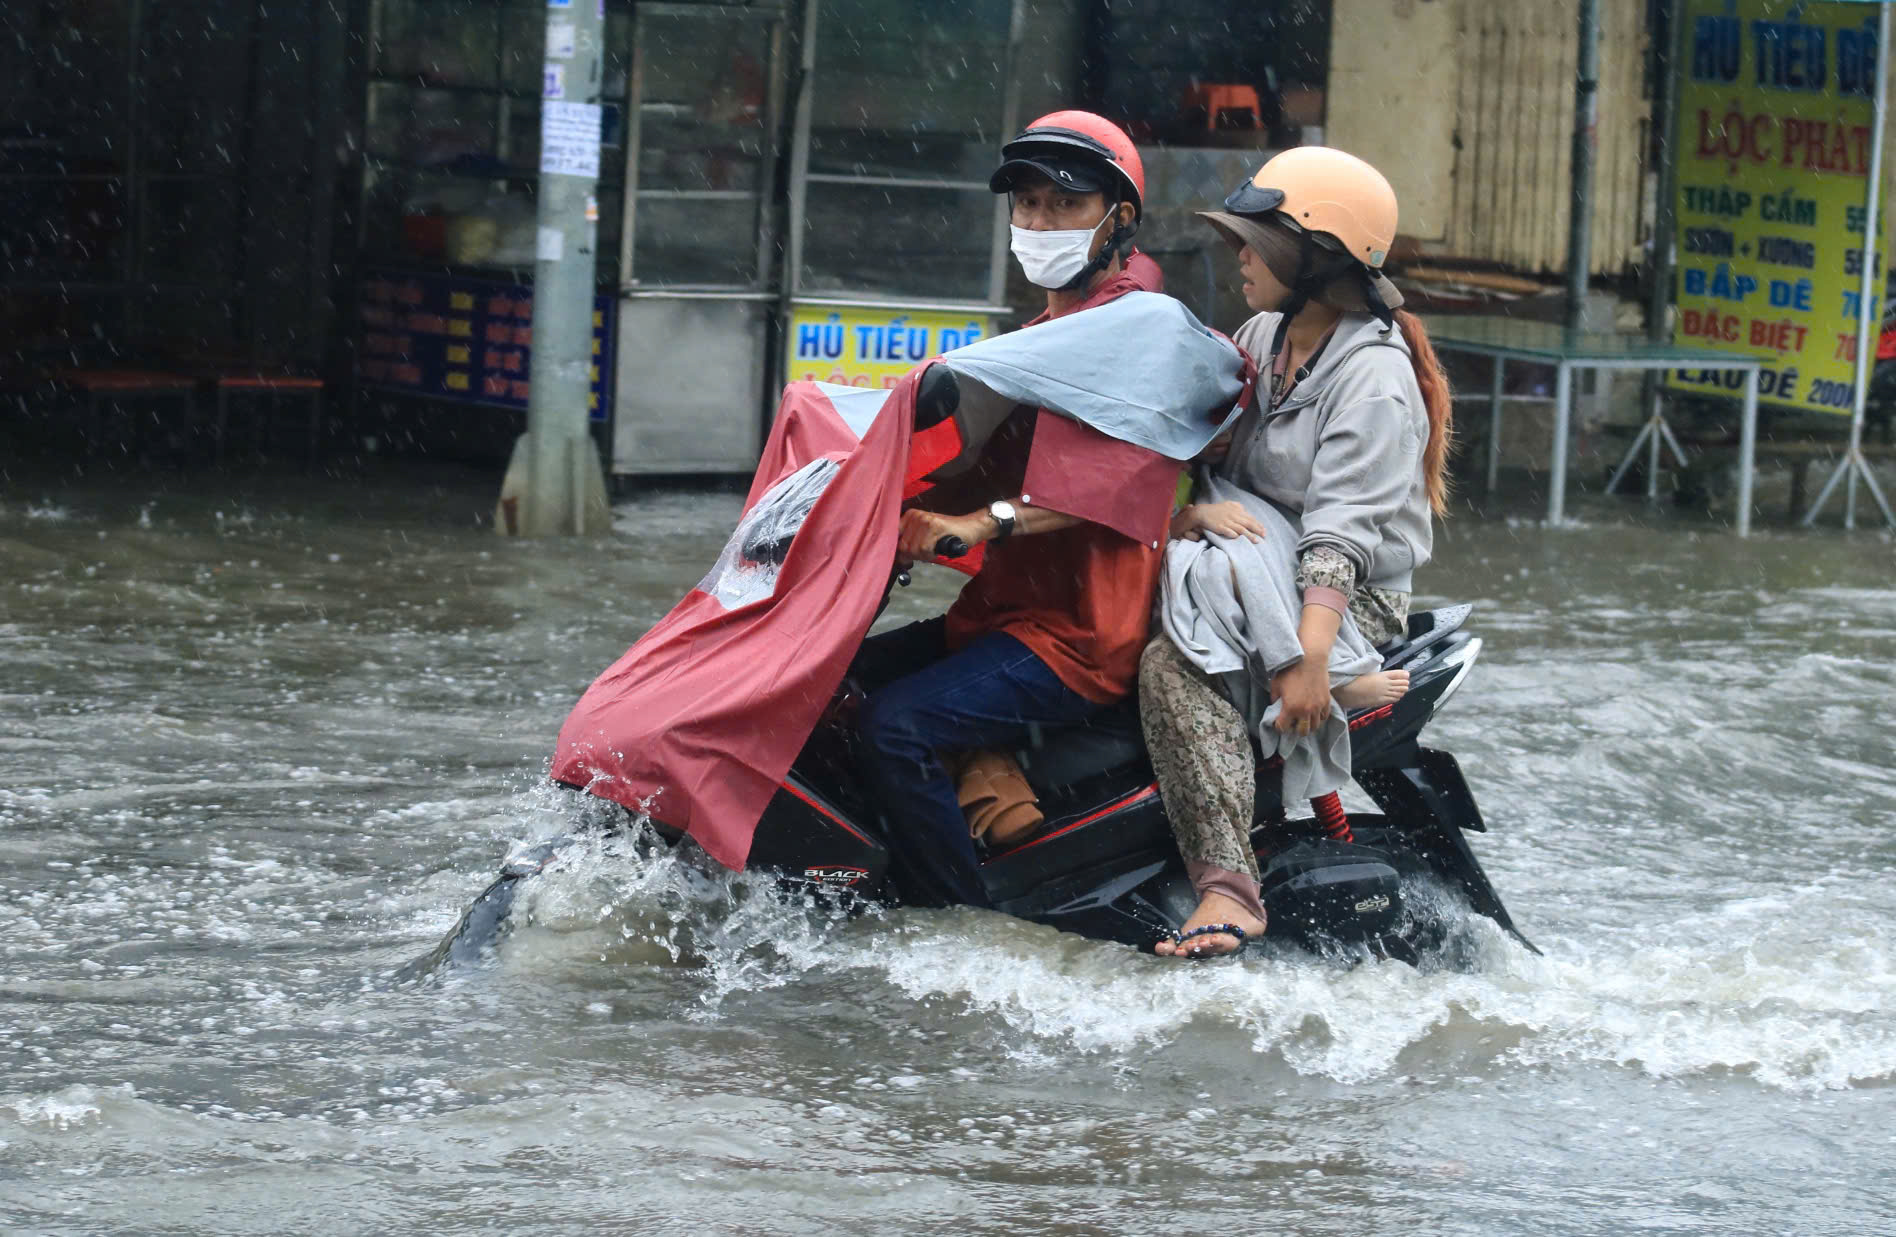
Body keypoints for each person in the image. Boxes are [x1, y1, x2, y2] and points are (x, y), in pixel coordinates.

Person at [851, 111, 1184, 910]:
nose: (1038, 224)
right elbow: (974, 463)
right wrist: (869, 506)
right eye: (1027, 206)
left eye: (1063, 206)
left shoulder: (1136, 331)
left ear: (1120, 219)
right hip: (1007, 613)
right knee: (837, 685)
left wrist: (979, 524)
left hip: (1075, 634)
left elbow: (1115, 482)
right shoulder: (1045, 337)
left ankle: (951, 916)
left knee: (892, 725)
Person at [1140, 147, 1455, 959]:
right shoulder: (1263, 335)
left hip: (1339, 602)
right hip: (1252, 562)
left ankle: (1226, 884)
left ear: (1317, 256)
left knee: (1171, 668)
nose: (1239, 255)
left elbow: (1338, 536)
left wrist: (1309, 657)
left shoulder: (1373, 379)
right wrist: (1179, 515)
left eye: (1258, 241)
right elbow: (1199, 451)